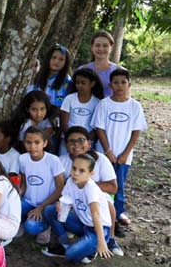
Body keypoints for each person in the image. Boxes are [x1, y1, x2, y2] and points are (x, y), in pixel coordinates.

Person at [91, 68, 147, 234]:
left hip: (124, 157)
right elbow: (99, 129)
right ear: (110, 85)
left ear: (129, 84)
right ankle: (99, 217)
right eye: (116, 82)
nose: (120, 85)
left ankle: (115, 220)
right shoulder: (104, 104)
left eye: (123, 82)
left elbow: (136, 132)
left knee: (119, 188)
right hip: (104, 155)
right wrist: (108, 151)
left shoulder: (135, 106)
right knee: (102, 185)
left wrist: (125, 154)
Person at [41, 152, 113, 263]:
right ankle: (65, 244)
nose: (76, 173)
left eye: (81, 171)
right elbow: (66, 200)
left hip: (99, 229)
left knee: (71, 256)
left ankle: (90, 249)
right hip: (82, 223)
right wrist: (60, 205)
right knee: (49, 211)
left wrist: (101, 241)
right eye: (74, 168)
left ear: (91, 173)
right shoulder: (70, 181)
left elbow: (96, 214)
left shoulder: (91, 188)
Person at [61, 126, 122, 256]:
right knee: (54, 210)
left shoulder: (100, 159)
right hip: (75, 198)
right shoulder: (62, 161)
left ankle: (109, 239)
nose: (76, 144)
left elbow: (113, 187)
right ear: (66, 144)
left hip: (96, 197)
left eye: (81, 140)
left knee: (107, 203)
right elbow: (62, 187)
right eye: (71, 141)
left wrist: (87, 186)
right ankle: (69, 240)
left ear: (89, 143)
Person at [17, 127, 65, 245]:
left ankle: (45, 225)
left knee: (31, 227)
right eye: (28, 142)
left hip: (47, 203)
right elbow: (24, 182)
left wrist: (41, 207)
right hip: (28, 201)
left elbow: (60, 188)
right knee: (11, 207)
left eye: (37, 142)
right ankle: (21, 220)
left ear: (45, 143)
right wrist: (19, 193)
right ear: (24, 143)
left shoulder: (53, 160)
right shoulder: (22, 159)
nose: (32, 146)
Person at [59, 67, 104, 154]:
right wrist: (72, 140)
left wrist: (84, 141)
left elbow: (96, 127)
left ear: (92, 84)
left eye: (83, 83)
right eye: (77, 83)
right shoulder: (69, 99)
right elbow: (64, 124)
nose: (79, 85)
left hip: (88, 141)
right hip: (68, 138)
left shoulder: (98, 102)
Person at [79, 30, 124, 98]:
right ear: (92, 47)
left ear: (111, 47)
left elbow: (125, 99)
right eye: (97, 45)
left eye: (105, 45)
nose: (101, 48)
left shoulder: (120, 71)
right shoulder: (82, 70)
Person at [30, 44, 73, 108]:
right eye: (54, 57)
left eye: (61, 59)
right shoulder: (37, 74)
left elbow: (61, 100)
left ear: (66, 62)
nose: (56, 61)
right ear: (48, 58)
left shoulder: (67, 81)